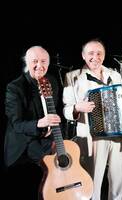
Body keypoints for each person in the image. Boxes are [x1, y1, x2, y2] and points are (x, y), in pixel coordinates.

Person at [63, 38, 122, 200]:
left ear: (104, 55)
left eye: (99, 53)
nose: (95, 57)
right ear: (83, 56)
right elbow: (66, 110)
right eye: (91, 53)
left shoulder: (114, 74)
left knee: (118, 181)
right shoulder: (73, 77)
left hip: (118, 135)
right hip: (92, 136)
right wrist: (76, 108)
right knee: (92, 181)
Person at [3, 46, 61, 199]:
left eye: (43, 61)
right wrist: (40, 123)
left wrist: (55, 125)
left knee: (67, 155)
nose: (39, 66)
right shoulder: (15, 87)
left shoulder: (52, 82)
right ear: (27, 63)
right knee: (47, 165)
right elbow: (17, 124)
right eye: (34, 61)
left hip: (46, 139)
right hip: (25, 142)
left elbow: (54, 111)